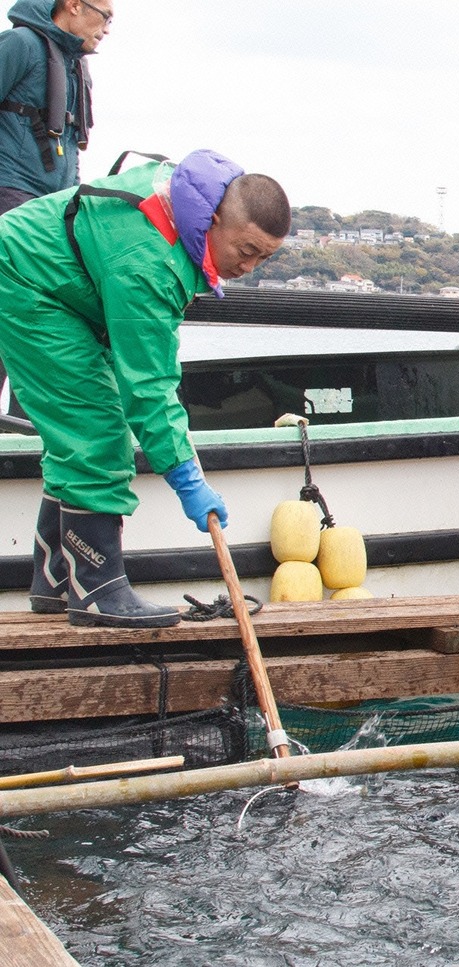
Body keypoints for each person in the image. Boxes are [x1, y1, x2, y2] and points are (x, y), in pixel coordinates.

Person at [0, 149, 289, 627]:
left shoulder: (185, 211)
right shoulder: (149, 263)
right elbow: (150, 390)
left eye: (265, 256)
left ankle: (55, 582)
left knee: (88, 423)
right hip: (26, 280)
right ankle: (96, 589)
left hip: (74, 285)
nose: (250, 267)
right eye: (245, 250)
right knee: (95, 430)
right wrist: (188, 482)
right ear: (213, 220)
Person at [0, 0, 109, 215]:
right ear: (74, 5)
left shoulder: (77, 66)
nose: (106, 29)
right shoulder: (20, 43)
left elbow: (72, 139)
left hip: (59, 200)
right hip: (12, 191)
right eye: (105, 16)